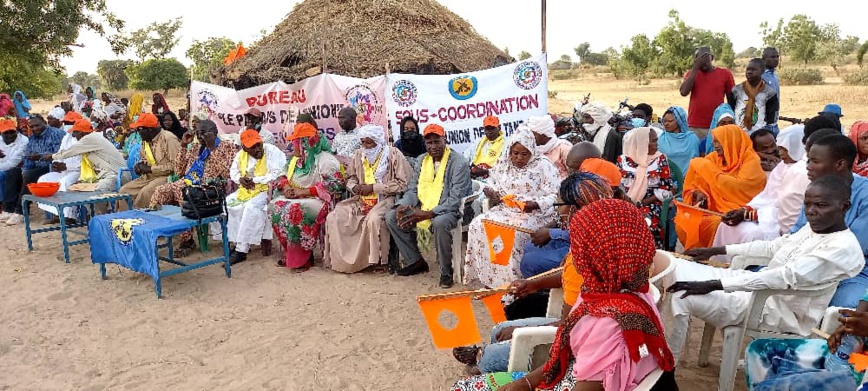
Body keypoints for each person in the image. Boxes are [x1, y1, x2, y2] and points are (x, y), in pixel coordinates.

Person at [454, 199, 677, 391]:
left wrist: (523, 385)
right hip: (571, 373)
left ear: (596, 257)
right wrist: (524, 383)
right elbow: (566, 349)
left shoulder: (610, 328)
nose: (573, 254)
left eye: (578, 247)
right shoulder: (620, 292)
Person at [666, 175, 864, 363]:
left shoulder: (842, 247)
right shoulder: (815, 229)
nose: (811, 211)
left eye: (820, 205)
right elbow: (772, 247)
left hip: (776, 312)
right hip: (758, 292)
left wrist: (715, 285)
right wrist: (716, 250)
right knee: (674, 268)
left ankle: (667, 370)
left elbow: (783, 276)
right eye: (808, 204)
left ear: (844, 206)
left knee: (679, 295)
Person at [452, 172, 615, 375]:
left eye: (558, 206)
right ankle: (488, 356)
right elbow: (568, 278)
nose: (557, 212)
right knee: (499, 330)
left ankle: (485, 360)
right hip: (586, 326)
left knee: (490, 356)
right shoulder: (600, 236)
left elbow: (567, 327)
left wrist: (519, 331)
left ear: (573, 210)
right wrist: (534, 284)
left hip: (580, 339)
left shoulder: (583, 257)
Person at [463, 126, 561, 288]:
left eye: (524, 154)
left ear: (532, 152)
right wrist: (492, 193)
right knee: (477, 225)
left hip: (535, 214)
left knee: (513, 233)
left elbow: (555, 195)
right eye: (515, 153)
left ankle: (514, 284)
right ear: (510, 151)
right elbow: (492, 183)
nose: (519, 158)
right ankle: (489, 279)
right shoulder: (504, 163)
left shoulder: (544, 166)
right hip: (505, 210)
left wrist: (536, 204)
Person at [385, 124, 471, 287]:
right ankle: (415, 261)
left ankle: (446, 272)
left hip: (451, 210)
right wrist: (402, 205)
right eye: (429, 142)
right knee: (391, 216)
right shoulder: (421, 160)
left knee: (439, 222)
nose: (433, 146)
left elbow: (455, 199)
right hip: (424, 206)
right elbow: (413, 189)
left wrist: (428, 213)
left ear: (445, 140)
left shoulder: (459, 162)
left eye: (437, 141)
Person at [789, 135, 868, 308]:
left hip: (854, 272)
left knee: (844, 309)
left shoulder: (865, 194)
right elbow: (796, 233)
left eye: (815, 161)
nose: (808, 166)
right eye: (808, 160)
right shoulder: (817, 191)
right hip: (807, 262)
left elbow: (855, 248)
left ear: (840, 164)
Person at [325, 124, 410, 273]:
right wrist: (354, 187)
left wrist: (373, 188)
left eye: (368, 142)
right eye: (362, 142)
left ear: (377, 141)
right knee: (334, 216)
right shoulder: (359, 154)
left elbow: (402, 184)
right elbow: (351, 178)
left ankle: (377, 261)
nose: (365, 146)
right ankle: (341, 260)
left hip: (386, 199)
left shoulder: (393, 154)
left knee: (374, 219)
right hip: (360, 199)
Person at [743, 292, 868, 390]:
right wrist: (851, 326)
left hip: (863, 373)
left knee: (771, 388)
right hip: (854, 356)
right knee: (761, 351)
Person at [712, 124, 808, 251]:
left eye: (784, 149)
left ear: (797, 147)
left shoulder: (804, 172)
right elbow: (767, 197)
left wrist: (749, 215)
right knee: (726, 226)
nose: (780, 153)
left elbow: (789, 209)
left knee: (751, 235)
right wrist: (745, 210)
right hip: (765, 214)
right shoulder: (782, 167)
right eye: (780, 149)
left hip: (783, 222)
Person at [149, 120, 237, 256]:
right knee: (160, 191)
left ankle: (188, 240)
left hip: (209, 189)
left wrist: (212, 148)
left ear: (214, 133)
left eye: (204, 133)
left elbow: (228, 174)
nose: (200, 137)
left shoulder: (227, 147)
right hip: (187, 183)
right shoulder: (195, 147)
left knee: (183, 192)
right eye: (198, 133)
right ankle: (156, 231)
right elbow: (179, 171)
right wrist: (184, 146)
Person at [675, 124, 767, 249]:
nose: (716, 146)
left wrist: (707, 168)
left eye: (719, 142)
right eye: (714, 142)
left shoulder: (750, 160)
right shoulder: (713, 158)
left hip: (739, 210)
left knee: (715, 224)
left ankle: (711, 256)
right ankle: (697, 255)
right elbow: (695, 184)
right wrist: (698, 194)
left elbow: (739, 187)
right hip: (711, 209)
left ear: (731, 141)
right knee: (684, 222)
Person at [269, 123, 344, 271]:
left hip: (317, 199)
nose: (293, 145)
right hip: (296, 196)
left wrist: (304, 192)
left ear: (305, 143)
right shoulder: (295, 160)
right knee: (275, 207)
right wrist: (287, 187)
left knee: (296, 210)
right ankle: (291, 253)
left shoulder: (325, 160)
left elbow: (336, 185)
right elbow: (281, 176)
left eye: (296, 141)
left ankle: (304, 258)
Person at [223, 129, 286, 265]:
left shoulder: (272, 151)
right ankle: (236, 242)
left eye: (259, 144)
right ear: (244, 148)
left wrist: (255, 180)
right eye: (253, 147)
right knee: (226, 204)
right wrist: (240, 179)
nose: (258, 149)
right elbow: (233, 172)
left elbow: (278, 173)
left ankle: (241, 250)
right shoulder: (240, 155)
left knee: (250, 208)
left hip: (267, 190)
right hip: (246, 191)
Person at [0, 114, 64, 225]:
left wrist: (40, 156)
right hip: (36, 167)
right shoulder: (32, 139)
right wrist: (24, 170)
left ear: (44, 122)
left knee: (30, 175)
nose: (35, 129)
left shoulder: (56, 134)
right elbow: (28, 158)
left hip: (53, 166)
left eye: (37, 125)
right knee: (13, 172)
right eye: (32, 127)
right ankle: (8, 209)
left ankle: (20, 212)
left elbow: (59, 154)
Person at [617, 127, 675, 249]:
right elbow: (618, 187)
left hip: (651, 203)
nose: (656, 144)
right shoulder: (623, 160)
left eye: (656, 140)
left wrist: (642, 203)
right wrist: (628, 202)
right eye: (653, 141)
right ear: (641, 143)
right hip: (625, 202)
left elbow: (667, 188)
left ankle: (649, 254)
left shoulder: (660, 159)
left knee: (645, 223)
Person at [118, 113, 182, 209]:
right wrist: (140, 166)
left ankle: (141, 217)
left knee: (145, 193)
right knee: (124, 191)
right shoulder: (146, 140)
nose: (137, 132)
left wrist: (150, 169)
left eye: (139, 129)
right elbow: (145, 159)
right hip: (150, 176)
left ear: (149, 129)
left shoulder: (169, 139)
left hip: (168, 177)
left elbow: (177, 166)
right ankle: (124, 217)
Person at [50, 118, 124, 192]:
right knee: (77, 188)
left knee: (92, 192)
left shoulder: (90, 138)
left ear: (81, 133)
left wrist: (52, 156)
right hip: (109, 174)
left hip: (116, 175)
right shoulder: (93, 137)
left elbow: (71, 151)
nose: (73, 135)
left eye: (75, 132)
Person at [679, 47, 736, 141]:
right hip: (695, 125)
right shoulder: (692, 74)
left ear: (712, 58)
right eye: (700, 59)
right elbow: (683, 92)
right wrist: (695, 68)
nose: (703, 62)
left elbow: (732, 99)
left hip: (717, 123)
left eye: (705, 57)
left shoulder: (725, 74)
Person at [36, 109, 82, 223]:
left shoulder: (84, 138)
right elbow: (60, 154)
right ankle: (56, 213)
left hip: (79, 172)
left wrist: (66, 166)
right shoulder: (67, 137)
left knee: (64, 183)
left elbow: (84, 163)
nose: (68, 125)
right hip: (65, 170)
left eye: (71, 123)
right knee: (44, 180)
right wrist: (55, 163)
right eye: (66, 123)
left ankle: (69, 216)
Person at [729, 58, 779, 134]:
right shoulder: (736, 91)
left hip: (760, 135)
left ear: (762, 71)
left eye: (753, 70)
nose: (749, 72)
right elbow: (731, 111)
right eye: (748, 69)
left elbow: (771, 119)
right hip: (739, 134)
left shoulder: (769, 93)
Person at [0, 119, 28, 219]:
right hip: (4, 167)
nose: (10, 135)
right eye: (6, 133)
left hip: (18, 169)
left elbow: (13, 163)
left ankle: (5, 205)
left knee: (5, 175)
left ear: (16, 130)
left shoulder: (23, 141)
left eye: (12, 132)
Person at [658, 106, 700, 173]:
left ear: (679, 121)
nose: (666, 124)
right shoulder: (661, 139)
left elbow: (696, 159)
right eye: (664, 121)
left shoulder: (691, 138)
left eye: (670, 121)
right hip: (667, 177)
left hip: (689, 176)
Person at [465, 115, 504, 181]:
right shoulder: (478, 142)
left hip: (494, 179)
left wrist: (486, 172)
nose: (490, 131)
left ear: (499, 128)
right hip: (474, 178)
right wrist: (469, 170)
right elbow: (465, 158)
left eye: (492, 128)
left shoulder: (505, 144)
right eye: (487, 129)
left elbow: (505, 167)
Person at [761, 47, 781, 134]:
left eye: (777, 57)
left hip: (774, 124)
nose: (776, 59)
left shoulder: (774, 77)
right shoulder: (760, 76)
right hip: (763, 125)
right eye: (772, 57)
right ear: (764, 59)